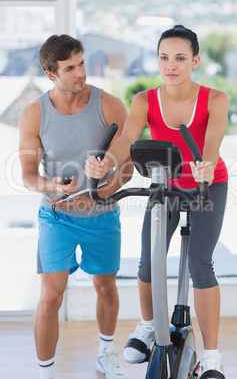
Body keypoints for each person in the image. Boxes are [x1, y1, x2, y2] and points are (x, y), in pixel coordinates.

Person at [85, 25, 229, 379]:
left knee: (200, 262)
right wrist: (105, 161)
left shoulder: (215, 98)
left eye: (180, 58)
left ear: (194, 61)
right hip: (164, 184)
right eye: (164, 58)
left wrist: (206, 165)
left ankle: (212, 356)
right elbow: (128, 139)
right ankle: (149, 325)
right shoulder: (144, 100)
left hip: (207, 183)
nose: (171, 65)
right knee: (148, 261)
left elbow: (212, 141)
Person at [18, 34, 133, 379]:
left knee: (106, 287)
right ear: (51, 74)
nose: (80, 72)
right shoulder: (34, 113)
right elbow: (27, 175)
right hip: (57, 217)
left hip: (102, 215)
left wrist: (101, 191)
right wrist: (51, 185)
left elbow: (127, 165)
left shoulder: (109, 105)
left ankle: (105, 353)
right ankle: (46, 373)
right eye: (70, 68)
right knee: (51, 298)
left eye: (81, 63)